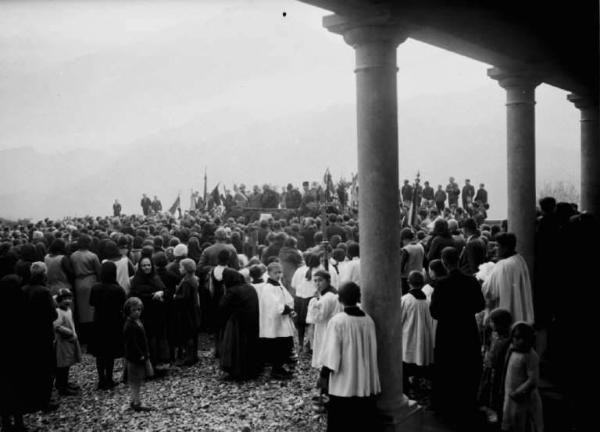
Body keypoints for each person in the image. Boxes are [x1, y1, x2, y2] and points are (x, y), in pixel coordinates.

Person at [430, 247, 485, 427]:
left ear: (444, 263)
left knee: (448, 367)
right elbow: (480, 305)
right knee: (466, 367)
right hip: (466, 329)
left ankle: (448, 407)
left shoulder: (441, 284)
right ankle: (466, 404)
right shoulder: (471, 281)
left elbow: (435, 312)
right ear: (458, 259)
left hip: (447, 331)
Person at [318, 281, 381, 432]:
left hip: (345, 381)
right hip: (364, 379)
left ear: (340, 299)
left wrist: (324, 375)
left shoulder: (338, 321)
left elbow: (331, 353)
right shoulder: (368, 320)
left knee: (342, 422)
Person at [22, 262, 59, 413]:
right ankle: (44, 400)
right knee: (46, 368)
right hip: (43, 333)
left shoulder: (24, 289)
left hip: (28, 333)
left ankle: (32, 397)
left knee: (33, 366)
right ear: (44, 274)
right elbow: (53, 314)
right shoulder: (44, 291)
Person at [89, 261, 126, 390]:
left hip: (99, 321)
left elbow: (92, 303)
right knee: (110, 352)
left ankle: (101, 379)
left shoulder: (95, 287)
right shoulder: (118, 289)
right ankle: (109, 378)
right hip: (113, 322)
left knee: (100, 353)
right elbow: (123, 304)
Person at [218, 268, 260, 380]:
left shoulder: (233, 290)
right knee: (250, 346)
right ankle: (252, 371)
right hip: (253, 321)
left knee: (236, 347)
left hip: (238, 323)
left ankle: (237, 372)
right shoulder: (250, 287)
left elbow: (222, 306)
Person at [482, 233, 534, 323]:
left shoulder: (503, 265)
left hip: (506, 310)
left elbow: (490, 291)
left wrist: (483, 278)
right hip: (520, 312)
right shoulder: (520, 259)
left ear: (505, 247)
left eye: (497, 246)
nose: (495, 249)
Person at [129, 257, 169, 372]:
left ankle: (161, 363)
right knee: (149, 338)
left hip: (158, 313)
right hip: (145, 314)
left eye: (148, 265)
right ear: (140, 267)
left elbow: (165, 291)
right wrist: (152, 295)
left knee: (159, 337)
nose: (147, 268)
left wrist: (162, 293)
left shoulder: (156, 277)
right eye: (144, 266)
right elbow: (136, 294)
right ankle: (150, 365)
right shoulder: (137, 280)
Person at [502, 322, 543, 432]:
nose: (519, 341)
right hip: (510, 395)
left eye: (523, 338)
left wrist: (518, 392)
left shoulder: (530, 355)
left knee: (523, 424)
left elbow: (533, 380)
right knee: (511, 421)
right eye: (516, 338)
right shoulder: (512, 350)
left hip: (523, 398)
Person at [257, 262, 296, 379]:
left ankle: (280, 367)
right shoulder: (268, 288)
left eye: (280, 272)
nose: (278, 275)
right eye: (275, 273)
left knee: (284, 344)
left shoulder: (278, 285)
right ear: (269, 273)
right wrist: (285, 308)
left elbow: (288, 298)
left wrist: (289, 307)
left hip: (282, 321)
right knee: (277, 345)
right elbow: (273, 306)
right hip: (273, 323)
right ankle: (276, 369)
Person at [0, 275, 28, 431]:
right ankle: (19, 422)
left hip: (3, 356)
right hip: (17, 354)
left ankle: (5, 422)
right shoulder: (20, 306)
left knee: (4, 388)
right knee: (18, 387)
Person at [401, 271, 434, 398]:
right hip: (423, 338)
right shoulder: (428, 300)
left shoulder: (405, 299)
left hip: (408, 338)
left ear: (409, 283)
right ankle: (418, 389)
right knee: (419, 364)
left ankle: (407, 391)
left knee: (406, 366)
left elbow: (399, 319)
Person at [478, 308, 513, 425]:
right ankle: (488, 408)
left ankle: (495, 412)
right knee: (487, 388)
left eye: (492, 322)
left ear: (499, 324)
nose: (490, 323)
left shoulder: (505, 341)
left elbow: (498, 356)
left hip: (496, 370)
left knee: (495, 390)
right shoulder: (495, 335)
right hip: (489, 367)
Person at [305, 270, 342, 369]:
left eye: (320, 280)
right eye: (315, 281)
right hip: (328, 325)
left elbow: (318, 317)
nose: (317, 283)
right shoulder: (329, 293)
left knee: (325, 349)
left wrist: (314, 302)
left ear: (328, 281)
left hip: (326, 326)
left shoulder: (327, 297)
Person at [123, 297, 153, 412]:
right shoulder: (130, 325)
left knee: (137, 380)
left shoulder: (137, 321)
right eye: (134, 310)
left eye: (139, 309)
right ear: (128, 311)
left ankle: (134, 399)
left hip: (139, 355)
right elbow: (132, 343)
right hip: (134, 357)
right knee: (135, 380)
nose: (137, 312)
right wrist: (141, 355)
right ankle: (136, 402)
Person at [70, 234, 101, 342]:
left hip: (78, 282)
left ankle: (83, 335)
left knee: (81, 309)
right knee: (91, 309)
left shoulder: (73, 255)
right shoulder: (92, 256)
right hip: (90, 281)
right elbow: (99, 271)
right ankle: (93, 334)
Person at [53, 288, 81, 396]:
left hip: (70, 341)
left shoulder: (68, 310)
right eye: (65, 298)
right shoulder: (58, 312)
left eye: (69, 298)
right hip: (63, 342)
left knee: (67, 363)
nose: (67, 301)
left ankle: (64, 383)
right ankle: (62, 387)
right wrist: (69, 333)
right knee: (62, 365)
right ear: (60, 299)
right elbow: (57, 326)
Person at [173, 258, 201, 365]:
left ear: (185, 269)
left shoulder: (186, 281)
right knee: (193, 335)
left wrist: (175, 295)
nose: (179, 268)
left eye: (181, 267)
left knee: (188, 335)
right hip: (193, 311)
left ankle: (189, 358)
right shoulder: (193, 279)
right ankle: (194, 356)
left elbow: (185, 297)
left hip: (187, 313)